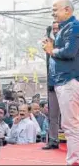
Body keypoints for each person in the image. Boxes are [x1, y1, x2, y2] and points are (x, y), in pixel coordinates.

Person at [43, 0, 79, 165]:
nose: (53, 13)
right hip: (63, 81)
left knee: (71, 124)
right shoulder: (66, 28)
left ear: (67, 10)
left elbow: (70, 52)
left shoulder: (73, 27)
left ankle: (74, 160)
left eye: (55, 9)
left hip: (69, 81)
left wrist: (52, 50)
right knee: (70, 123)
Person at [42, 21, 61, 150]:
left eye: (56, 29)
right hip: (52, 84)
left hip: (67, 83)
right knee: (53, 115)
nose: (55, 31)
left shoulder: (66, 44)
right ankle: (53, 140)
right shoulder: (50, 47)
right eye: (53, 29)